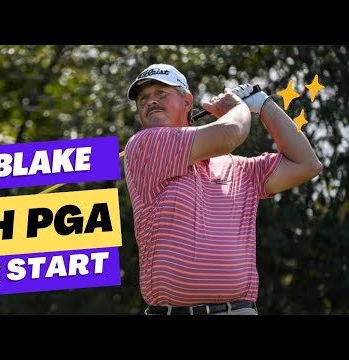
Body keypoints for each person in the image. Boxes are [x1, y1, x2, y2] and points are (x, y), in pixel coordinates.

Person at [124, 63, 323, 315]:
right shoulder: (144, 146)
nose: (150, 101)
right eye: (143, 98)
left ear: (187, 102)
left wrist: (263, 105)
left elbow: (307, 164)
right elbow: (230, 133)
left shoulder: (241, 169)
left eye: (161, 93)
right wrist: (239, 107)